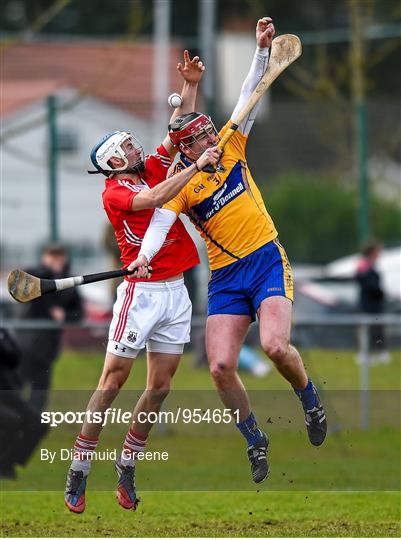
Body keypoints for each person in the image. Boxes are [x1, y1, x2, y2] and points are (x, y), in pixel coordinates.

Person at [129, 17, 327, 485]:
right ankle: (255, 439)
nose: (210, 137)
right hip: (226, 278)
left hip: (265, 259)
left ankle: (310, 399)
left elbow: (248, 96)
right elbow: (158, 223)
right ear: (186, 147)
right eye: (200, 136)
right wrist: (144, 255)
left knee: (275, 345)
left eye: (209, 132)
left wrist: (261, 52)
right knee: (219, 366)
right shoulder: (183, 184)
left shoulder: (231, 144)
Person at [64, 51, 221, 514]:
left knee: (160, 387)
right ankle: (78, 467)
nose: (138, 148)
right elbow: (154, 196)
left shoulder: (149, 167)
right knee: (112, 381)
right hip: (140, 293)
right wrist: (197, 167)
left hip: (175, 290)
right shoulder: (117, 191)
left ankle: (127, 464)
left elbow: (177, 136)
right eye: (128, 146)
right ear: (113, 159)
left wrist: (190, 86)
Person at [16, 243, 83, 412]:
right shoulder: (34, 276)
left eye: (59, 257)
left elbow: (78, 313)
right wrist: (50, 273)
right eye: (51, 257)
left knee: (40, 391)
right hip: (25, 344)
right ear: (44, 258)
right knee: (15, 387)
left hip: (48, 347)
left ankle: (31, 426)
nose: (56, 261)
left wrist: (64, 315)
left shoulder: (68, 282)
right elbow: (26, 285)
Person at [0, 327, 48, 479]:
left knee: (39, 424)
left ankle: (7, 464)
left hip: (7, 392)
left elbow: (14, 359)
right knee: (11, 421)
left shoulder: (2, 332)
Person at [355, 240, 390, 364]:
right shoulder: (364, 267)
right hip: (368, 306)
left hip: (375, 306)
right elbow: (368, 285)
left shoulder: (371, 267)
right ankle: (364, 354)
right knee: (367, 330)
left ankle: (379, 353)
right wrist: (380, 292)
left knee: (378, 330)